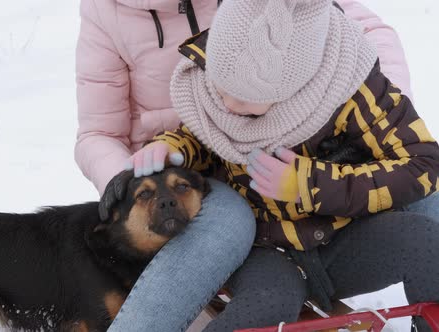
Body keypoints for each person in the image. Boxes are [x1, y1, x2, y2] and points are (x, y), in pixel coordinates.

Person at [75, 0, 420, 331]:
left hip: (302, 157)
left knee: (424, 197)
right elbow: (100, 132)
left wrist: (359, 118)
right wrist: (134, 185)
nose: (226, 104)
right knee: (234, 222)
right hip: (188, 175)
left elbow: (350, 25)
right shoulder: (107, 11)